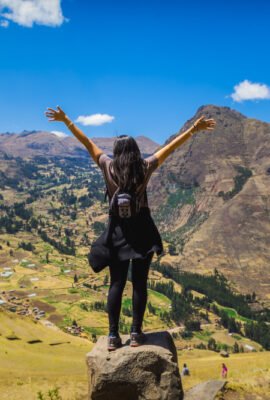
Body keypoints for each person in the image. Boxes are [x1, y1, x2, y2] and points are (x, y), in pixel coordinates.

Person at [45, 106, 216, 351]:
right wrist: (193, 130)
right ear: (136, 152)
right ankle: (136, 333)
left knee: (116, 284)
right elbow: (171, 148)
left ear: (116, 151)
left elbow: (87, 142)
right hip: (143, 233)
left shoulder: (107, 166)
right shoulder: (145, 167)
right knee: (140, 284)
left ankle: (113, 336)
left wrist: (66, 121)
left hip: (117, 234)